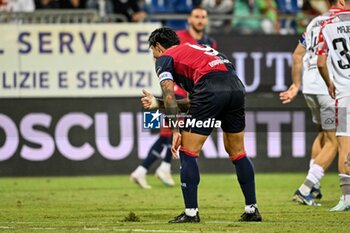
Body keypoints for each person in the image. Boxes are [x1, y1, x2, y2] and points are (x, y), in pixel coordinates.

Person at [142, 27, 262, 223]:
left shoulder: (166, 58)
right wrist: (158, 103)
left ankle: (191, 213)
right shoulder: (196, 49)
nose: (154, 57)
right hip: (236, 87)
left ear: (158, 46)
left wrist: (174, 129)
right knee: (238, 152)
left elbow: (170, 94)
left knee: (187, 151)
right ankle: (252, 209)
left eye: (153, 52)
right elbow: (192, 102)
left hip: (210, 88)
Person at [130, 7, 216, 190]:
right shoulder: (178, 37)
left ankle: (154, 168)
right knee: (166, 133)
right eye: (196, 16)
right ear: (189, 19)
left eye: (203, 17)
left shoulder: (210, 42)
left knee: (170, 134)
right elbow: (163, 60)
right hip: (171, 92)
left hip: (188, 94)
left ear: (206, 21)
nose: (200, 20)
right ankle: (150, 169)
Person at [280, 0, 344, 206]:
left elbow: (297, 55)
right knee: (335, 141)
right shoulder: (342, 22)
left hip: (310, 88)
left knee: (323, 134)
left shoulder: (314, 22)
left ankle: (314, 186)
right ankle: (306, 188)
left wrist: (296, 84)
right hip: (329, 88)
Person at [316, 7, 350, 211]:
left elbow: (321, 62)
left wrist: (329, 82)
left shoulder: (327, 25)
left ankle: (347, 198)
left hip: (344, 93)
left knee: (344, 144)